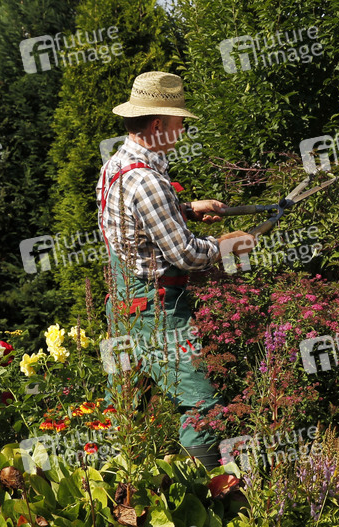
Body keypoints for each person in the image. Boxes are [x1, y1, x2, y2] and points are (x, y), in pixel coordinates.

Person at [97, 71, 252, 468]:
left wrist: (185, 208)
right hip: (156, 311)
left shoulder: (116, 165)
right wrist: (226, 246)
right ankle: (202, 493)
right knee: (203, 405)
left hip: (122, 308)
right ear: (157, 125)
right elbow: (185, 254)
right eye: (178, 121)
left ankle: (119, 490)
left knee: (126, 410)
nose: (182, 128)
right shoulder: (147, 181)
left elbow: (137, 222)